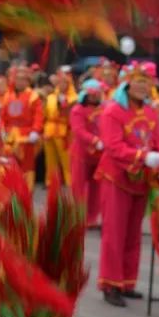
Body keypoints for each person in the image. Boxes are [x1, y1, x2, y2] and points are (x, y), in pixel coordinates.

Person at [96, 62, 159, 306]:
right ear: (127, 84)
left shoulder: (152, 113)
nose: (143, 87)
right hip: (117, 178)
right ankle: (110, 284)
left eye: (147, 82)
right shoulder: (112, 111)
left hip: (141, 180)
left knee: (133, 234)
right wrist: (142, 157)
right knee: (114, 233)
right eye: (138, 82)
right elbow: (113, 146)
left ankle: (127, 282)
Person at [0, 65, 45, 188]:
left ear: (28, 81)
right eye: (18, 79)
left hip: (26, 137)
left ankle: (26, 194)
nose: (20, 82)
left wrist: (35, 131)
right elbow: (2, 115)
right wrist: (2, 129)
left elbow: (38, 115)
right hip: (9, 137)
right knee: (8, 165)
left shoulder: (33, 96)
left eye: (23, 79)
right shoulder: (7, 95)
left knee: (27, 168)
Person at [69, 79, 104, 228]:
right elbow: (79, 131)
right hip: (81, 154)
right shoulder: (78, 110)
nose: (94, 97)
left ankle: (92, 218)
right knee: (78, 187)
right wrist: (95, 140)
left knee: (96, 189)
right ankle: (76, 217)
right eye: (92, 94)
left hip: (99, 155)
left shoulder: (105, 109)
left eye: (97, 94)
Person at [42, 68, 77, 185]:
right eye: (60, 82)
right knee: (50, 159)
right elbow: (45, 113)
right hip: (49, 130)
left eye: (65, 82)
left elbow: (70, 114)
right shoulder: (51, 97)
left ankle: (70, 182)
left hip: (64, 131)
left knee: (67, 160)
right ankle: (51, 183)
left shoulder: (74, 98)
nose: (62, 84)